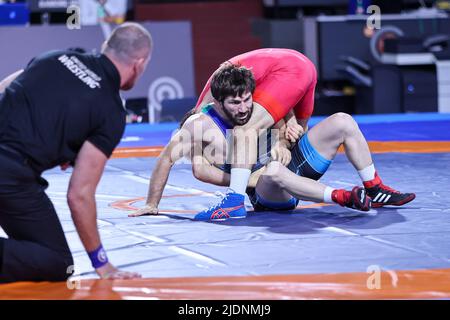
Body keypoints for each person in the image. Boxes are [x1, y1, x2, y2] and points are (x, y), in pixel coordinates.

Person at [135, 64, 414, 220]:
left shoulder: (254, 104)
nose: (244, 108)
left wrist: (284, 138)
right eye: (235, 103)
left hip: (294, 161)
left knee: (342, 120)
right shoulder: (199, 126)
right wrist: (151, 203)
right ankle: (342, 197)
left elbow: (281, 116)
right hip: (269, 190)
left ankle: (374, 188)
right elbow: (172, 161)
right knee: (273, 171)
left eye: (247, 100)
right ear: (218, 102)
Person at [0, 22, 152, 283]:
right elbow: (79, 195)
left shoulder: (57, 56)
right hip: (10, 174)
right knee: (57, 262)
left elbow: (6, 88)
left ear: (106, 47)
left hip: (10, 171)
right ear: (139, 64)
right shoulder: (110, 111)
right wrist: (102, 264)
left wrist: (61, 144)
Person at [194, 48, 318, 219]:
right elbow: (279, 95)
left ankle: (235, 200)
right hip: (304, 67)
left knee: (247, 130)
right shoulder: (236, 81)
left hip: (292, 70)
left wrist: (282, 139)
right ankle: (369, 187)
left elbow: (192, 167)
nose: (242, 108)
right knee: (296, 131)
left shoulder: (219, 89)